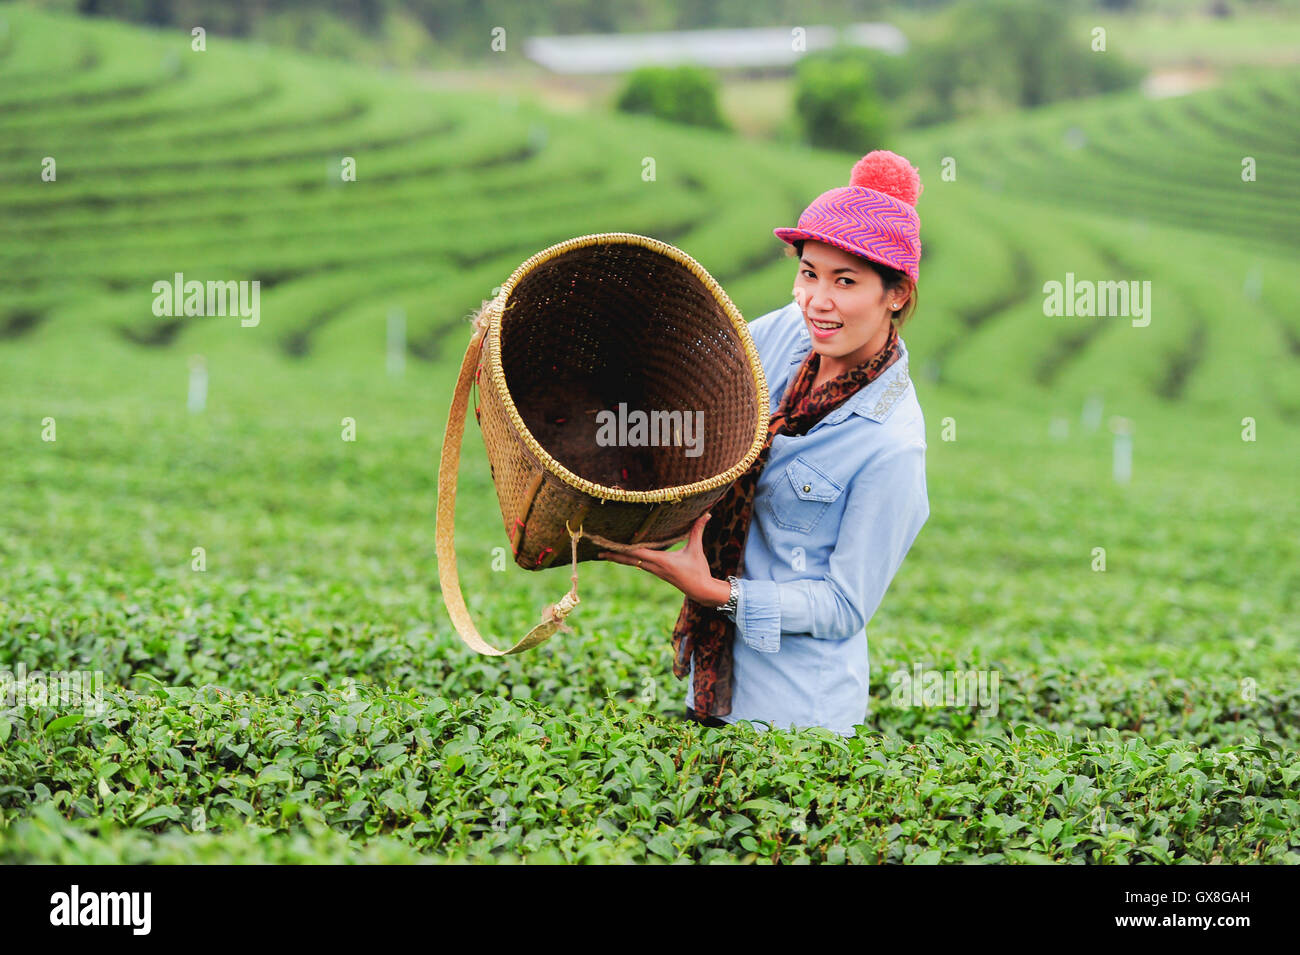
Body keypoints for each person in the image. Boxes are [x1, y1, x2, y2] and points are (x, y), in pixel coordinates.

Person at [599, 149, 930, 737]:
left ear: (896, 294)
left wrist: (717, 592)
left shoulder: (892, 444)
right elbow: (694, 381)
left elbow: (844, 606)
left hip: (797, 715)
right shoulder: (785, 334)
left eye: (845, 281)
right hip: (714, 681)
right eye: (809, 272)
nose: (817, 300)